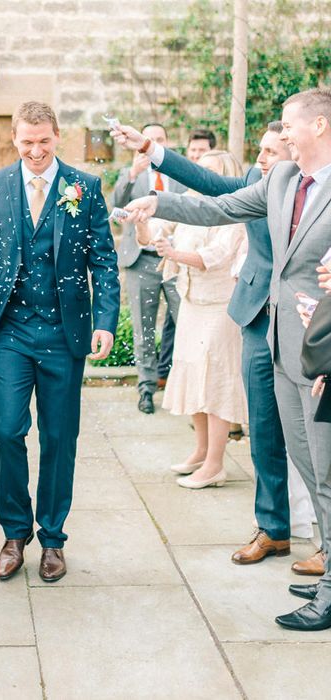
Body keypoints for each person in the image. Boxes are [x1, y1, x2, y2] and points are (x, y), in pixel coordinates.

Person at [124, 88, 331, 632]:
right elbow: (217, 205)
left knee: (327, 464)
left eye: (289, 126)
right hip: (278, 341)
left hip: (323, 345)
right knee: (307, 461)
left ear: (321, 125)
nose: (281, 137)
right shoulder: (284, 181)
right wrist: (158, 202)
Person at [0, 101, 120, 584]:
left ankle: (53, 538)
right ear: (14, 138)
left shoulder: (84, 187)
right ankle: (14, 533)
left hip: (65, 334)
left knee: (60, 439)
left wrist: (105, 321)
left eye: (44, 141)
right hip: (11, 333)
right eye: (27, 142)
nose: (36, 150)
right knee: (6, 430)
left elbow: (103, 261)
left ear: (57, 136)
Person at [136, 151, 248, 489]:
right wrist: (142, 220)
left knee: (216, 382)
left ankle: (216, 465)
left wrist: (173, 253)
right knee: (193, 376)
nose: (202, 178)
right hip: (191, 301)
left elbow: (215, 257)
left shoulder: (235, 210)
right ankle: (200, 452)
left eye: (210, 172)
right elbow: (151, 234)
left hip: (220, 306)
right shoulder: (189, 204)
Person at [113, 122, 186, 414]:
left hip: (174, 258)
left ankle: (177, 383)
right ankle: (145, 389)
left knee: (184, 322)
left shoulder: (178, 175)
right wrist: (132, 173)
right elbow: (115, 205)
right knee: (143, 327)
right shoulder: (130, 175)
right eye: (149, 138)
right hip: (140, 259)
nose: (154, 142)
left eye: (160, 139)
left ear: (166, 143)